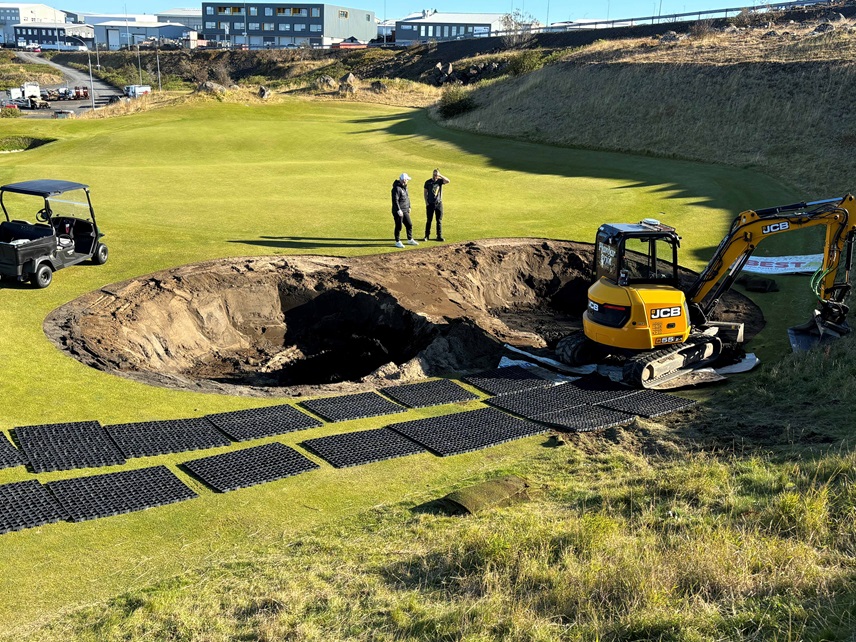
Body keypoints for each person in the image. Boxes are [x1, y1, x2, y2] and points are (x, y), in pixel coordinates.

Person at [391, 173, 418, 248]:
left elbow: (407, 198)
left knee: (409, 224)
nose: (407, 181)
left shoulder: (405, 187)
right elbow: (395, 200)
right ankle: (397, 241)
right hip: (398, 211)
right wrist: (398, 210)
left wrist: (409, 206)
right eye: (407, 180)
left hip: (405, 210)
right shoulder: (396, 188)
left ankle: (410, 239)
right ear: (404, 180)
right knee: (398, 226)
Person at [423, 168, 450, 242]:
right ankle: (426, 236)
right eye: (434, 174)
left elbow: (448, 181)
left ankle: (439, 236)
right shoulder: (428, 182)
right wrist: (426, 202)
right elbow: (425, 192)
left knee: (439, 220)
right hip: (430, 204)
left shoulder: (440, 181)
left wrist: (440, 175)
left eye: (436, 174)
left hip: (438, 203)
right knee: (429, 220)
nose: (435, 175)